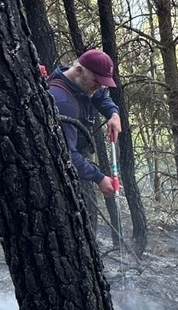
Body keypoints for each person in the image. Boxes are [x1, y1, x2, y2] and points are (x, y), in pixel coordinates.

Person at [47, 49, 123, 208]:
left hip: (78, 164)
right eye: (97, 81)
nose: (99, 86)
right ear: (79, 70)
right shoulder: (63, 102)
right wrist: (99, 178)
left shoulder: (79, 82)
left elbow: (101, 96)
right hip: (58, 175)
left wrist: (113, 114)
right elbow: (67, 153)